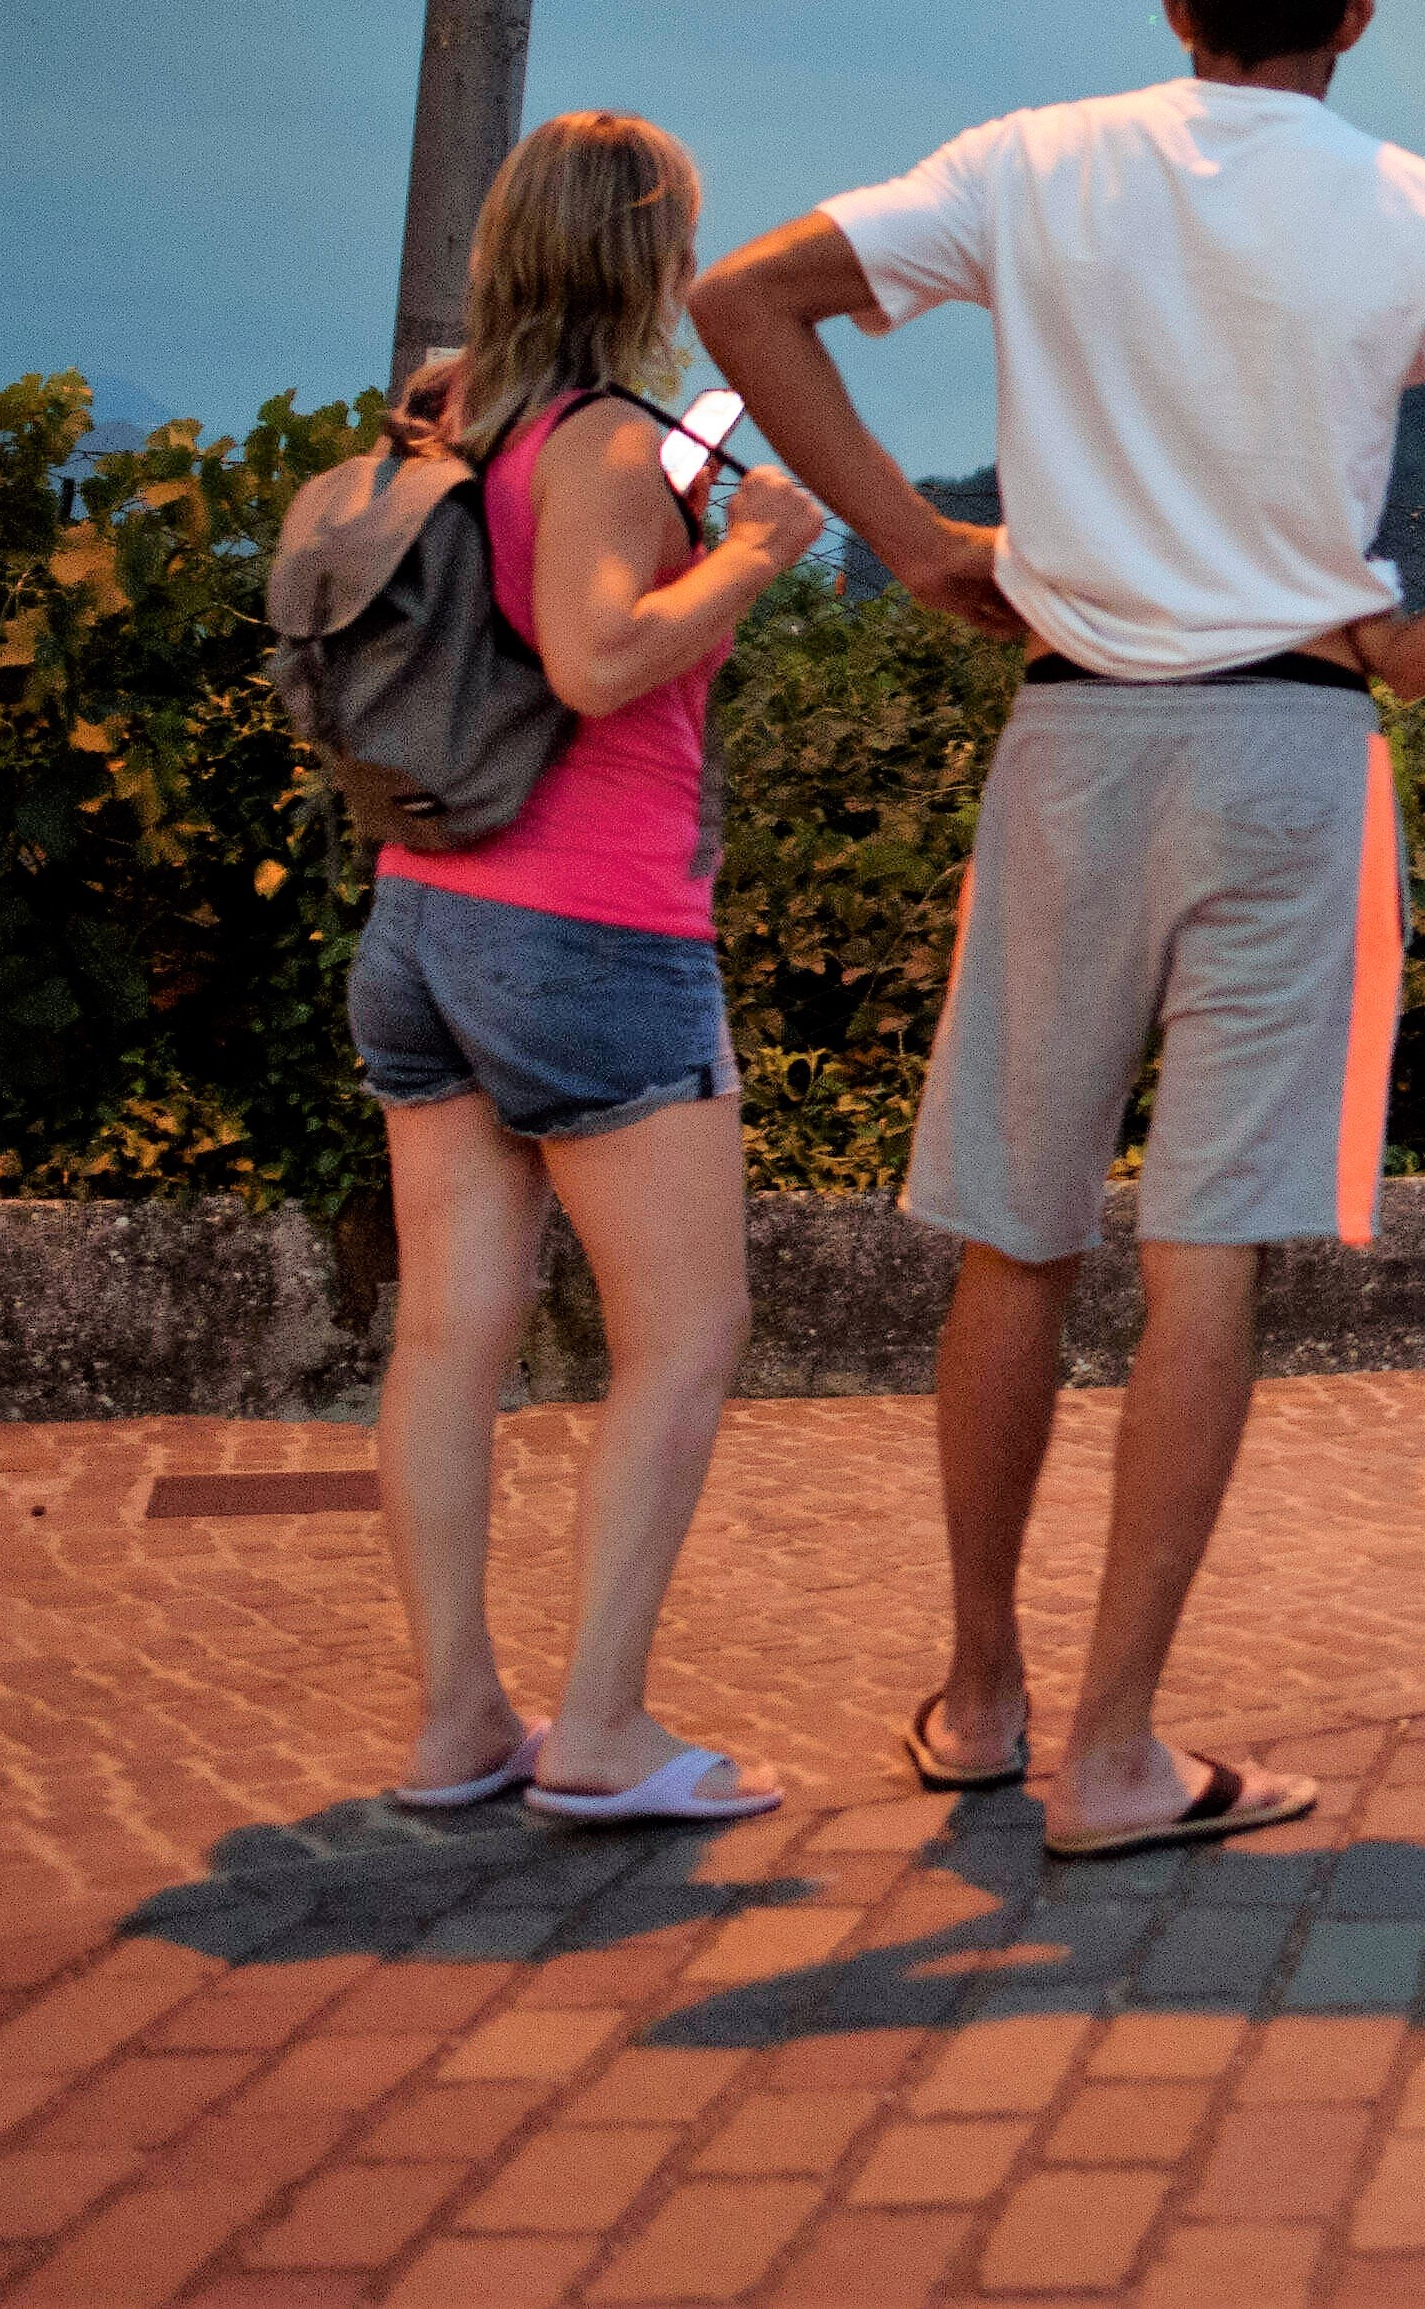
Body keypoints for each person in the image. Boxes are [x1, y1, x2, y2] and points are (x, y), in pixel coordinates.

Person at [691, 0, 1425, 1856]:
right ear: (1351, 22)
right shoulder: (1417, 211)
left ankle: (980, 1690)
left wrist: (907, 532)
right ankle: (1119, 1749)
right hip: (1293, 747)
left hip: (1071, 733)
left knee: (1015, 1225)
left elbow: (741, 296)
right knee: (1203, 1245)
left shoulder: (1038, 162)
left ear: (1174, 5)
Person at [364, 113, 825, 1826]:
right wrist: (758, 552)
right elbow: (597, 653)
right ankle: (608, 1732)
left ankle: (455, 1724)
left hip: (425, 913)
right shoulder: (612, 444)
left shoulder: (451, 414)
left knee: (448, 1336)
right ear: (649, 259)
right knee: (689, 1334)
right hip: (593, 933)